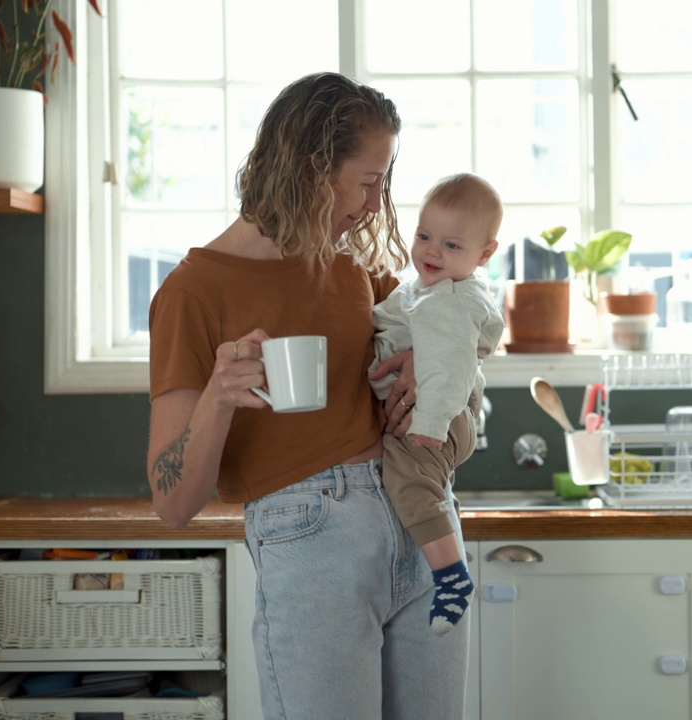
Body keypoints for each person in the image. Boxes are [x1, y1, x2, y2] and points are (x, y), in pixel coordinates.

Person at [145, 72, 469, 719]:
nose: (375, 205)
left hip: (422, 521)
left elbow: (453, 318)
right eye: (369, 182)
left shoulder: (348, 267)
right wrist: (218, 396)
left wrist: (421, 363)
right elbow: (172, 501)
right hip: (314, 538)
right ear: (315, 168)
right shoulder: (192, 292)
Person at [369, 173, 504, 637]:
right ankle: (448, 569)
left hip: (435, 418)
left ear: (484, 254)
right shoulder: (430, 289)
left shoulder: (448, 301)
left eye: (450, 244)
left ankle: (451, 578)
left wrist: (428, 423)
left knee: (409, 483)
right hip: (442, 413)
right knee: (416, 485)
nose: (430, 251)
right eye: (424, 236)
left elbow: (447, 367)